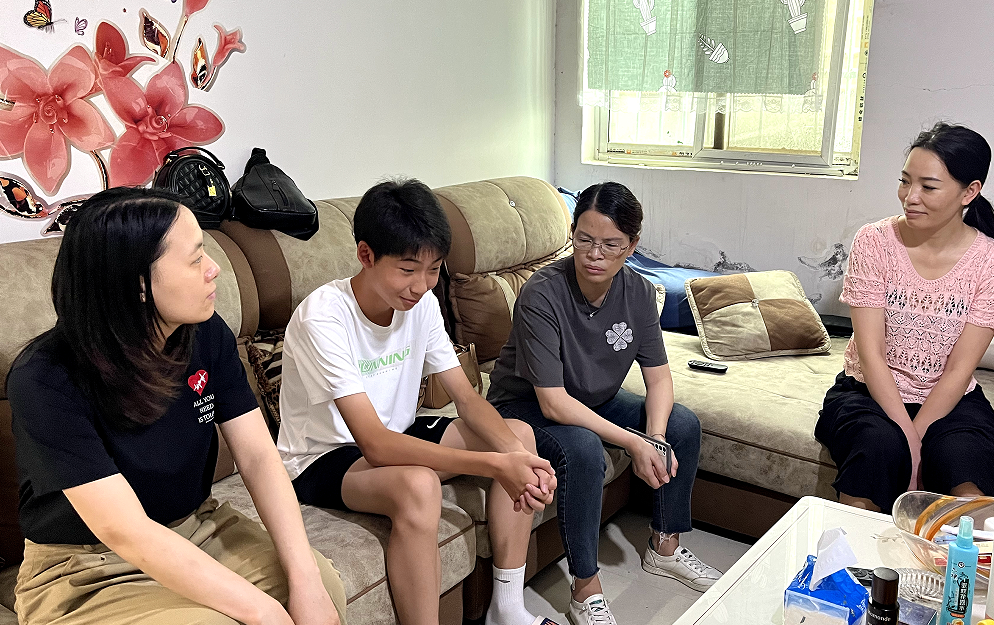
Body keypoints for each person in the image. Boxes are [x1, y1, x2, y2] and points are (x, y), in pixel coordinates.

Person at [7, 187, 346, 625]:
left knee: (322, 584)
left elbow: (259, 457)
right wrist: (265, 612)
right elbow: (124, 530)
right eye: (196, 258)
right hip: (87, 566)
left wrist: (305, 580)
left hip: (196, 527)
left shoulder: (205, 333)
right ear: (138, 284)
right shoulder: (46, 378)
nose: (215, 269)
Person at [276, 178, 558, 625]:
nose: (421, 285)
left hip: (396, 434)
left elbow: (466, 397)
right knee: (420, 485)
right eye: (408, 269)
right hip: (323, 458)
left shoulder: (421, 304)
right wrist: (495, 465)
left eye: (433, 270)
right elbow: (375, 445)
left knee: (519, 437)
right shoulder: (323, 318)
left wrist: (515, 457)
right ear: (366, 255)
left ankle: (507, 608)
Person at [487, 182, 721, 625]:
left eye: (611, 244)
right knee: (582, 449)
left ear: (632, 245)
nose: (594, 255)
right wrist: (634, 443)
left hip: (592, 399)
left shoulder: (639, 293)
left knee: (682, 425)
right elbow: (553, 403)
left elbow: (659, 377)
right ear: (572, 234)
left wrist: (654, 438)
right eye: (584, 240)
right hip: (525, 404)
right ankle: (585, 589)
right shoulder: (542, 293)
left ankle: (665, 547)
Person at [816, 122, 994, 514]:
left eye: (928, 187)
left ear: (969, 192)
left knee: (965, 470)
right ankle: (851, 552)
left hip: (953, 399)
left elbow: (959, 370)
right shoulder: (874, 241)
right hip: (868, 391)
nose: (910, 198)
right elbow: (871, 355)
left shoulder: (988, 260)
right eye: (905, 181)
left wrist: (920, 436)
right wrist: (909, 442)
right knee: (879, 447)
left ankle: (960, 555)